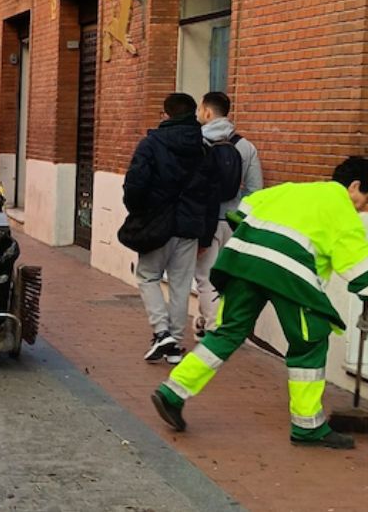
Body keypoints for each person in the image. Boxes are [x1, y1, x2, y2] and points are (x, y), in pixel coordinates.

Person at [152, 156, 368, 450]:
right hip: (290, 274)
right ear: (354, 185)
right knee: (310, 342)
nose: (363, 208)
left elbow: (243, 210)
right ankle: (307, 426)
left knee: (228, 331)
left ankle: (173, 392)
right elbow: (358, 267)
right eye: (366, 200)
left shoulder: (292, 189)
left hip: (242, 260)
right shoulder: (342, 210)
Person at [122, 93, 215, 365]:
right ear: (193, 114)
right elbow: (210, 195)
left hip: (156, 224)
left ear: (165, 114)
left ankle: (162, 332)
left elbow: (135, 185)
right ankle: (174, 344)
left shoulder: (151, 144)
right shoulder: (203, 148)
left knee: (148, 275)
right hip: (189, 227)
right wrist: (205, 234)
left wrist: (139, 213)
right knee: (181, 286)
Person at [194, 91, 263, 336]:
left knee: (206, 278)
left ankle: (214, 330)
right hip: (234, 223)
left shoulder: (197, 143)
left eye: (199, 108)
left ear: (207, 112)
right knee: (227, 279)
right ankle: (208, 320)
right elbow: (255, 190)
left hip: (206, 221)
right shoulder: (246, 146)